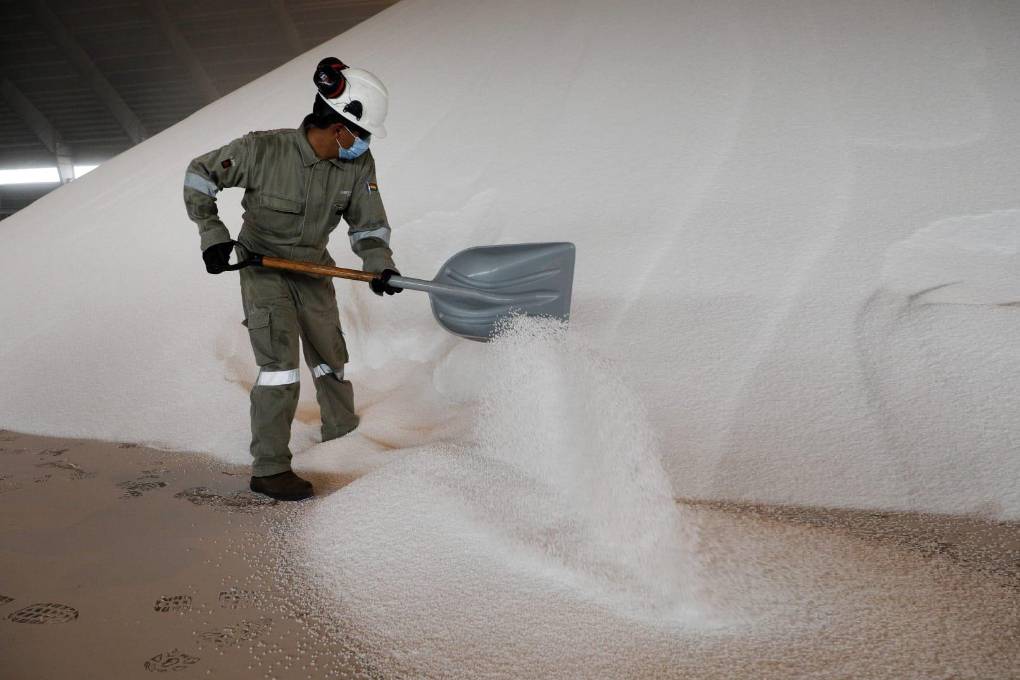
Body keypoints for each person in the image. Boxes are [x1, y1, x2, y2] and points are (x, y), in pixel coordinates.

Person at [182, 57, 401, 501]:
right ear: (339, 125)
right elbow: (199, 175)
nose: (364, 143)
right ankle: (270, 468)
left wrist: (379, 265)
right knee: (280, 367)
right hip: (261, 265)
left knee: (330, 357)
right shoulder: (263, 150)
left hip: (313, 266)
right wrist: (213, 236)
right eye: (360, 134)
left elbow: (369, 224)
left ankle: (343, 440)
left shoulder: (359, 164)